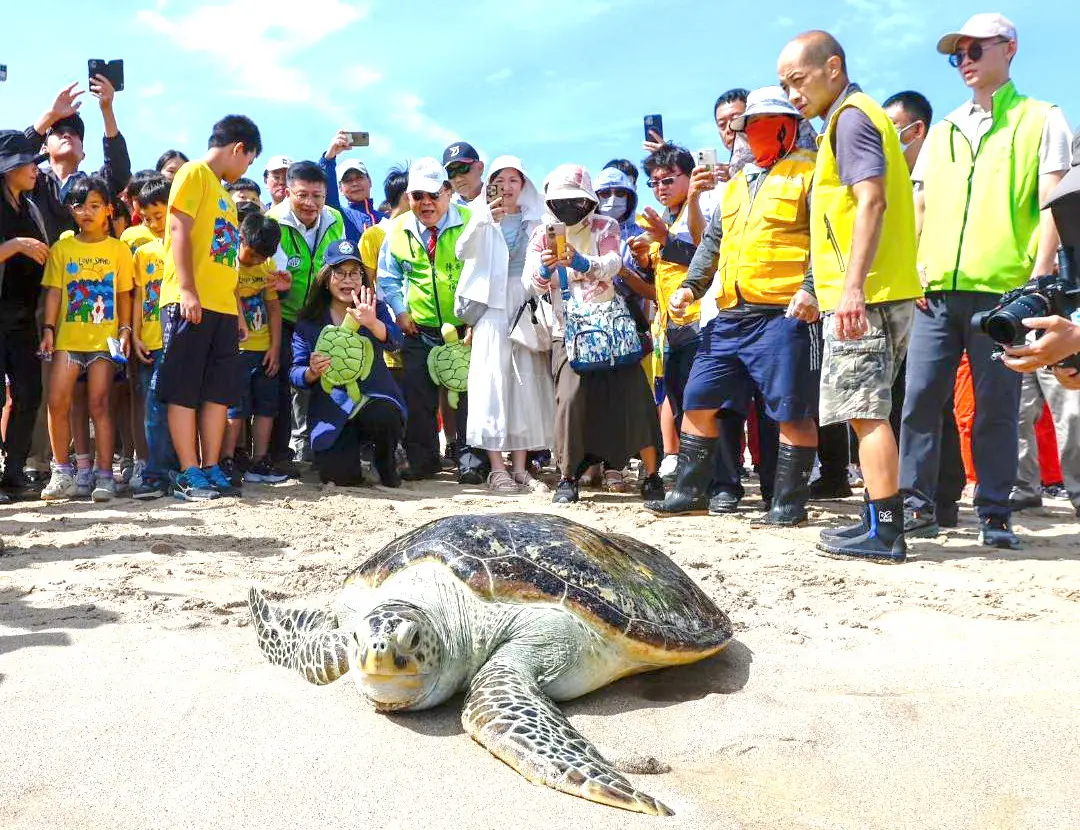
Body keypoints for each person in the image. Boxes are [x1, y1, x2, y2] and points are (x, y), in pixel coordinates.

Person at [901, 13, 1071, 549]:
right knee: (920, 399)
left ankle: (995, 514)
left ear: (1010, 48)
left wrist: (1039, 277)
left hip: (1004, 292)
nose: (966, 61)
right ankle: (916, 506)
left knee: (998, 407)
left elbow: (1054, 204)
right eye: (958, 54)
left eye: (976, 49)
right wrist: (914, 267)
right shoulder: (945, 127)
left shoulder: (1043, 118)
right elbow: (920, 202)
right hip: (936, 293)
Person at [644, 86, 821, 527]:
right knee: (700, 398)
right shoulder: (737, 185)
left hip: (783, 313)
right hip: (730, 315)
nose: (755, 133)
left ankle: (788, 503)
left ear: (788, 127)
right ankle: (689, 492)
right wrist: (691, 287)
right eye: (749, 127)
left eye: (765, 125)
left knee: (790, 408)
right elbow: (713, 244)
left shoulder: (811, 173)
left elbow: (828, 237)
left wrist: (812, 287)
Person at [778, 30, 924, 563]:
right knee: (870, 409)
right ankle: (874, 520)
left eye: (799, 79)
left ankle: (885, 531)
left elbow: (872, 202)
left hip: (870, 293)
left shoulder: (851, 118)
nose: (793, 94)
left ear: (832, 67)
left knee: (866, 412)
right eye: (784, 85)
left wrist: (853, 288)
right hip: (877, 288)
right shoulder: (855, 117)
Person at [524, 163, 664, 504]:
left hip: (611, 326)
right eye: (562, 200)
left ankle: (652, 474)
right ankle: (567, 476)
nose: (571, 207)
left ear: (589, 201)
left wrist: (578, 263)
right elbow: (531, 283)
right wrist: (547, 266)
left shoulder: (606, 225)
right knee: (570, 400)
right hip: (566, 329)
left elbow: (613, 264)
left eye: (577, 200)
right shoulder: (542, 233)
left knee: (635, 397)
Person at [157, 114, 262, 501]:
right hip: (189, 301)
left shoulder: (225, 195)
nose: (246, 168)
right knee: (184, 388)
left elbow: (225, 258)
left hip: (221, 307)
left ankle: (211, 464)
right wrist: (186, 289)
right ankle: (187, 470)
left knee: (219, 391)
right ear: (239, 148)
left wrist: (235, 309)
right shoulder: (193, 173)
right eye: (249, 160)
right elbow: (178, 230)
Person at [881, 90, 966, 528]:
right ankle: (934, 496)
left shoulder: (941, 174)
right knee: (919, 400)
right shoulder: (891, 179)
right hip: (898, 297)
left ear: (915, 130)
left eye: (892, 126)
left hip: (930, 296)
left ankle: (935, 498)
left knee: (927, 399)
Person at [455, 155, 554, 493]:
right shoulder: (481, 216)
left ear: (524, 184)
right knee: (492, 383)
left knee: (524, 383)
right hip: (491, 306)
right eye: (501, 179)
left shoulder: (535, 220)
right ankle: (497, 468)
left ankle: (521, 467)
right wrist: (483, 219)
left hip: (524, 304)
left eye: (515, 180)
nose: (508, 187)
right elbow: (461, 250)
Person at [377, 157, 473, 481]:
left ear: (448, 192)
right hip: (417, 327)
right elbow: (387, 278)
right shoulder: (398, 229)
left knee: (467, 394)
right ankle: (423, 460)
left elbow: (485, 274)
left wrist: (476, 318)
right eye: (418, 196)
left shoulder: (471, 222)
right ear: (409, 197)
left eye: (433, 195)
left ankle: (470, 459)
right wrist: (400, 312)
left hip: (465, 327)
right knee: (418, 397)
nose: (426, 203)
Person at [38, 176, 133, 502]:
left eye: (95, 205)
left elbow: (124, 296)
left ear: (108, 209)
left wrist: (125, 331)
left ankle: (104, 475)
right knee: (56, 401)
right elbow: (53, 292)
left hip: (104, 344)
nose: (87, 212)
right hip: (67, 341)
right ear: (71, 210)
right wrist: (49, 330)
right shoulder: (62, 249)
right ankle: (62, 471)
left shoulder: (119, 250)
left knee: (100, 404)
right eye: (80, 206)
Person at [292, 240, 405, 487]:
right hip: (333, 409)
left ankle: (385, 459)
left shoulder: (376, 308)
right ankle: (354, 456)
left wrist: (373, 323)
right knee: (342, 477)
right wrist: (311, 372)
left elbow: (397, 343)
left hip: (374, 397)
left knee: (383, 416)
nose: (348, 280)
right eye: (340, 273)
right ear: (325, 277)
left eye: (355, 273)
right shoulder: (309, 321)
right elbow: (295, 373)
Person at [266, 161, 345, 466]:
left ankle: (319, 443)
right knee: (290, 382)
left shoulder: (335, 219)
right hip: (284, 316)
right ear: (287, 192)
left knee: (322, 376)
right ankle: (293, 447)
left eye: (318, 196)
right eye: (302, 195)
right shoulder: (273, 220)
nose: (311, 204)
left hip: (321, 318)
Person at [0, 131, 52, 502]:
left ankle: (14, 472)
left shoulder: (31, 208)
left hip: (23, 320)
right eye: (27, 163)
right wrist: (15, 246)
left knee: (30, 394)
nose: (35, 168)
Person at [223, 205, 287, 486]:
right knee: (234, 409)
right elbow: (230, 295)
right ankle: (225, 459)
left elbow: (273, 308)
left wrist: (274, 347)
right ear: (241, 238)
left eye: (263, 256)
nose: (256, 260)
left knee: (266, 407)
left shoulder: (268, 267)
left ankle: (260, 460)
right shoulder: (227, 263)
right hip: (236, 350)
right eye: (253, 253)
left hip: (263, 350)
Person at [24, 78, 131, 241]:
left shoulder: (94, 185)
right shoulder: (29, 179)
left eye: (75, 134)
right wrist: (51, 115)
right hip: (33, 265)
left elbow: (118, 172)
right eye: (59, 132)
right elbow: (12, 158)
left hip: (85, 266)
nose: (67, 135)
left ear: (83, 154)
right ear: (44, 148)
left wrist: (107, 110)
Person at [126, 176, 172, 498]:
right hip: (150, 345)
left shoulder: (191, 250)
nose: (155, 224)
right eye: (148, 218)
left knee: (182, 409)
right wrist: (137, 336)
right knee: (153, 410)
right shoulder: (142, 254)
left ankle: (181, 470)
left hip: (181, 341)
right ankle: (155, 473)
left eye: (161, 215)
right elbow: (139, 297)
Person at [359, 164, 410, 385]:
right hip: (389, 335)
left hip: (425, 332)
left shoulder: (425, 232)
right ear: (409, 197)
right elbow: (365, 287)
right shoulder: (375, 235)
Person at [319, 132, 385, 242]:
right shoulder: (339, 215)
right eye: (348, 181)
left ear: (370, 181)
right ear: (340, 188)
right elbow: (326, 191)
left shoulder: (387, 219)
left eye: (359, 177)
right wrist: (329, 159)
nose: (354, 183)